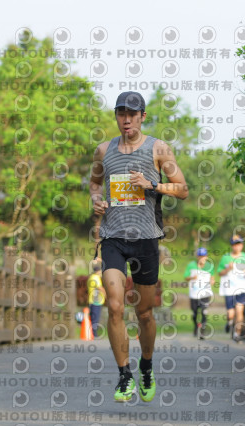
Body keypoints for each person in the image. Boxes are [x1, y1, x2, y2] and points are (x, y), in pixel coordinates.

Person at [89, 91, 188, 402]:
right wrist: (96, 200)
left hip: (146, 238)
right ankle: (124, 376)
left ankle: (146, 366)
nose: (127, 119)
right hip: (113, 238)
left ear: (143, 116)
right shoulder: (103, 150)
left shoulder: (158, 148)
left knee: (144, 313)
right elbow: (94, 183)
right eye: (121, 113)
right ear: (116, 116)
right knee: (115, 306)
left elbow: (183, 189)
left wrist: (152, 184)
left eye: (132, 114)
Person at [217, 235, 245, 343]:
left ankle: (237, 334)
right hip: (228, 289)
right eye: (234, 244)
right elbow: (220, 273)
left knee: (239, 311)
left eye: (239, 244)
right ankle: (229, 322)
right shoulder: (225, 258)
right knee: (231, 314)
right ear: (231, 246)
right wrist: (228, 268)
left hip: (241, 288)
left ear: (242, 245)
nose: (237, 246)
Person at [184, 247, 214, 339]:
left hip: (205, 294)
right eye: (200, 256)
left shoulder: (209, 266)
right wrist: (192, 277)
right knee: (195, 313)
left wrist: (212, 281)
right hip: (194, 294)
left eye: (203, 256)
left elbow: (212, 277)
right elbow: (186, 277)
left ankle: (202, 331)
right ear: (197, 257)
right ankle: (196, 326)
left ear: (206, 257)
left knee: (204, 312)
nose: (202, 258)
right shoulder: (191, 265)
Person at [86, 262, 106, 337]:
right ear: (99, 271)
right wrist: (106, 295)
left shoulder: (91, 277)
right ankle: (94, 334)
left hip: (92, 300)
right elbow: (100, 288)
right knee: (95, 318)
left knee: (93, 317)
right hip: (96, 301)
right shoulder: (95, 278)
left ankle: (92, 333)